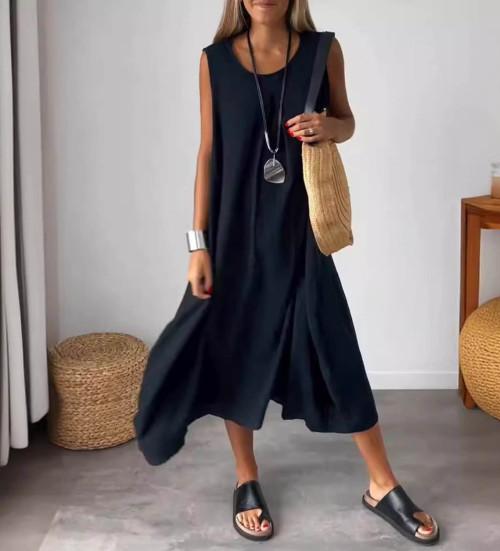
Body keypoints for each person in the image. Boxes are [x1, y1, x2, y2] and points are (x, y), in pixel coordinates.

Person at [134, 0, 440, 545]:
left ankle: (382, 483)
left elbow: (348, 122)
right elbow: (208, 153)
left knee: (336, 349)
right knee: (234, 350)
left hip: (300, 233)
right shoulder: (214, 61)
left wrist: (329, 126)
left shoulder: (324, 51)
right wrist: (197, 244)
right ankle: (246, 477)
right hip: (233, 234)